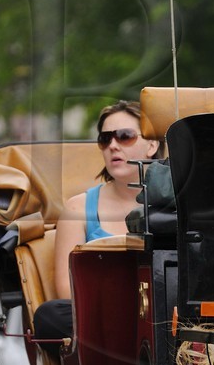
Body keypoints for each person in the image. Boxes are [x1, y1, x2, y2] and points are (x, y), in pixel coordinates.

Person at [32, 100, 163, 351]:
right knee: (51, 316)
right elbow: (66, 292)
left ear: (152, 145)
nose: (113, 145)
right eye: (105, 139)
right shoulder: (78, 208)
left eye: (125, 136)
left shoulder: (176, 203)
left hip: (163, 315)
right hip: (102, 324)